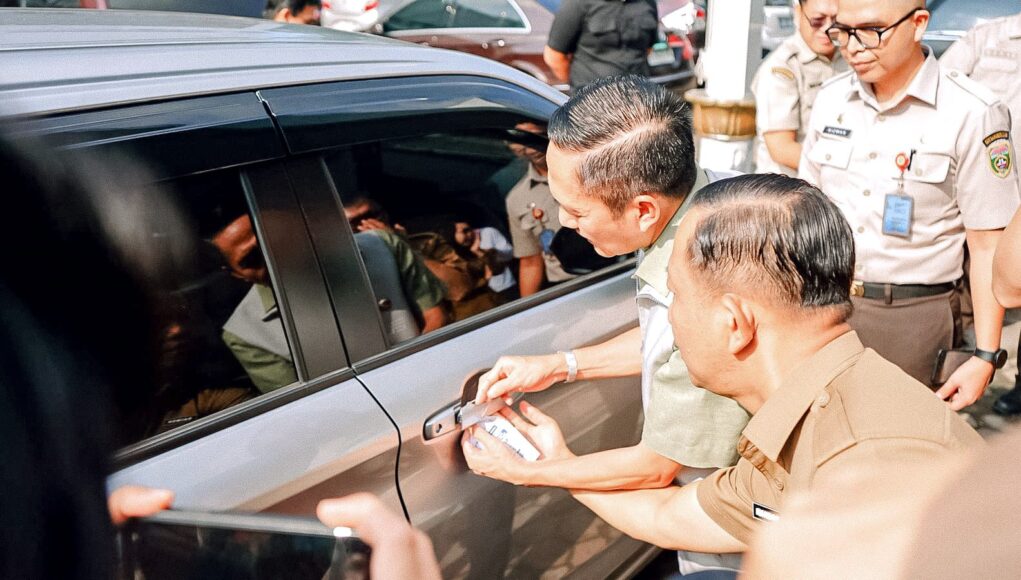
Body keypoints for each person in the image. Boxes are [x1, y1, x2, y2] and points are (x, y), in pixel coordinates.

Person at [466, 174, 984, 556]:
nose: (665, 321)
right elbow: (675, 515)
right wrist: (549, 466)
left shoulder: (865, 471)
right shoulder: (808, 410)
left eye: (677, 298)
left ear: (736, 323)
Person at [467, 74, 750, 574]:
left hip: (731, 533)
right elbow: (667, 346)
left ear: (643, 209)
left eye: (576, 208)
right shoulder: (708, 199)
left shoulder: (696, 286)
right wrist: (563, 365)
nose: (562, 220)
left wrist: (540, 468)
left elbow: (660, 464)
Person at [799, 0, 1020, 409]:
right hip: (825, 306)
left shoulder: (972, 112)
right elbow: (804, 210)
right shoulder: (831, 100)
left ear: (918, 24)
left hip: (914, 317)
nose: (853, 47)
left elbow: (987, 244)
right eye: (842, 32)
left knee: (902, 459)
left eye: (870, 31)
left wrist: (986, 356)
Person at [939, 12, 1021, 415]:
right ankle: (969, 362)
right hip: (982, 190)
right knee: (982, 285)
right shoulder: (988, 37)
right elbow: (939, 90)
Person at [751, 0, 846, 175]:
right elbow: (782, 148)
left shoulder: (850, 58)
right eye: (818, 20)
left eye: (836, 20)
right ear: (798, 14)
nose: (827, 28)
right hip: (787, 189)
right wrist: (843, 170)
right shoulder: (782, 68)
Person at [504, 122, 575, 297]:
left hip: (615, 269)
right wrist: (527, 313)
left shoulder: (590, 169)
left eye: (539, 134)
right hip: (569, 286)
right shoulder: (517, 198)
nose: (533, 145)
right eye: (524, 139)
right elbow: (530, 261)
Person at [544, 0, 659, 92]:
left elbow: (648, 48)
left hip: (639, 96)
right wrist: (577, 87)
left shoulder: (647, 3)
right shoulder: (578, 3)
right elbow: (554, 56)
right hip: (592, 103)